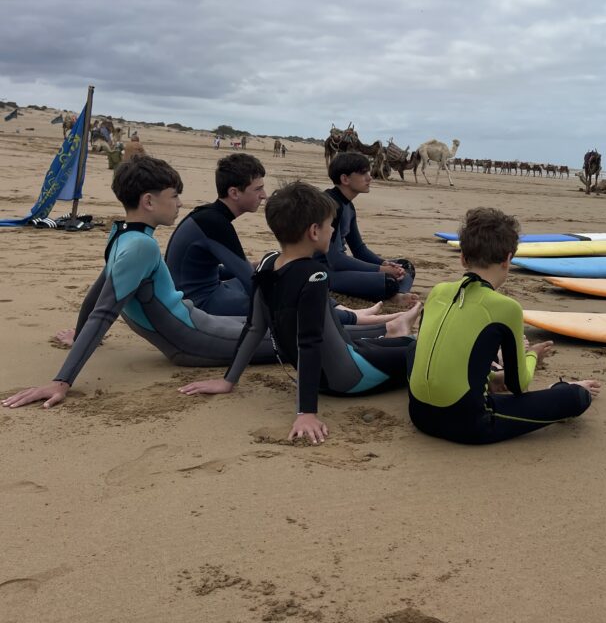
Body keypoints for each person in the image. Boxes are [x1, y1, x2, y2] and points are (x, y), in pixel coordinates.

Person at [2, 156, 276, 410]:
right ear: (148, 201)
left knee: (274, 322)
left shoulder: (122, 236)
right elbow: (103, 312)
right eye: (174, 196)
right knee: (290, 338)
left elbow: (95, 296)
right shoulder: (141, 247)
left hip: (199, 321)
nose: (180, 204)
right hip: (194, 340)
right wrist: (61, 381)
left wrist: (78, 335)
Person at [178, 182, 421, 444]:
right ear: (314, 231)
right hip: (350, 378)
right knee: (417, 350)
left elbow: (255, 328)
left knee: (389, 344)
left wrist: (229, 381)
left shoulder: (267, 263)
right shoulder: (314, 275)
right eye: (330, 226)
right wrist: (306, 413)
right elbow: (309, 342)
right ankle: (400, 334)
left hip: (339, 363)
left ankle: (397, 332)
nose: (332, 231)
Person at [408, 207, 600, 445]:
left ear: (463, 258)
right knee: (576, 397)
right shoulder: (507, 308)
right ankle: (559, 388)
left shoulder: (438, 291)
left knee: (420, 350)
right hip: (468, 424)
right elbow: (518, 385)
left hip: (418, 414)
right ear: (508, 259)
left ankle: (491, 379)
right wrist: (532, 356)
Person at [165, 153, 267, 316]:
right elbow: (251, 281)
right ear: (234, 193)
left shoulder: (207, 215)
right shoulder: (215, 224)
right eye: (258, 189)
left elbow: (206, 272)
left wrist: (256, 266)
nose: (264, 195)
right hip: (197, 304)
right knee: (280, 302)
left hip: (198, 293)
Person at [320, 152, 418, 305]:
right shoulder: (330, 205)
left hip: (341, 268)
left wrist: (384, 263)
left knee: (405, 267)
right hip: (324, 272)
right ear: (345, 179)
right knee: (389, 281)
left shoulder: (348, 206)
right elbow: (336, 260)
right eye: (363, 173)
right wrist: (380, 270)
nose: (369, 177)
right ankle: (393, 292)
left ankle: (398, 294)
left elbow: (359, 249)